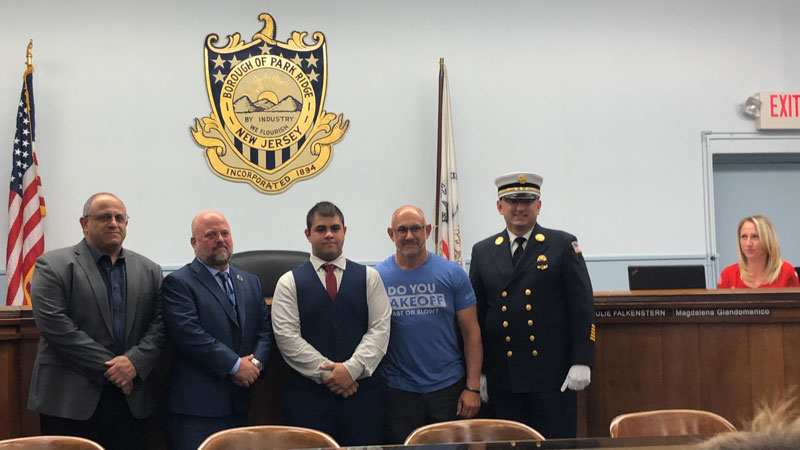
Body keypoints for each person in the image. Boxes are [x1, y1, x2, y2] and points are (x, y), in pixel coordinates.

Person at [27, 193, 164, 450]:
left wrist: (134, 363)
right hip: (70, 400)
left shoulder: (150, 270)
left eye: (119, 218)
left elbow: (160, 326)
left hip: (132, 400)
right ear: (84, 223)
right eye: (104, 217)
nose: (113, 223)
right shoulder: (52, 265)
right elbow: (56, 327)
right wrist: (115, 370)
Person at [469, 172, 595, 439]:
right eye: (512, 201)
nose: (520, 208)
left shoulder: (562, 245)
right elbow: (477, 316)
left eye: (527, 201)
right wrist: (478, 371)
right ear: (499, 206)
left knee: (554, 444)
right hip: (503, 375)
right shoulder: (483, 251)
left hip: (552, 375)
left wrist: (582, 360)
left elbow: (582, 307)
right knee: (508, 444)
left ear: (538, 206)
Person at [272, 201, 391, 446]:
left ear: (344, 231)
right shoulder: (288, 282)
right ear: (308, 234)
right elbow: (287, 338)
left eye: (335, 228)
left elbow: (379, 330)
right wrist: (333, 376)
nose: (329, 234)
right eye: (321, 229)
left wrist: (351, 371)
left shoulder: (370, 277)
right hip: (308, 402)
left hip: (363, 400)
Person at [162, 211, 273, 450]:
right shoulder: (179, 283)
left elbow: (265, 329)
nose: (220, 239)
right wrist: (235, 365)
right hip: (198, 408)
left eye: (225, 233)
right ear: (194, 243)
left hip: (241, 403)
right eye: (211, 235)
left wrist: (255, 365)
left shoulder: (249, 280)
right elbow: (189, 335)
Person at [375, 205, 483, 444]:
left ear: (428, 231)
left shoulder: (453, 273)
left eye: (416, 228)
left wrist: (473, 388)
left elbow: (471, 332)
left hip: (448, 388)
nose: (409, 236)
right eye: (401, 230)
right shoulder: (376, 277)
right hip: (398, 391)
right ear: (391, 234)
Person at [717, 215, 800, 289]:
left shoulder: (786, 272)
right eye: (744, 237)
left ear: (768, 240)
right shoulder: (728, 275)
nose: (748, 243)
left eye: (755, 236)